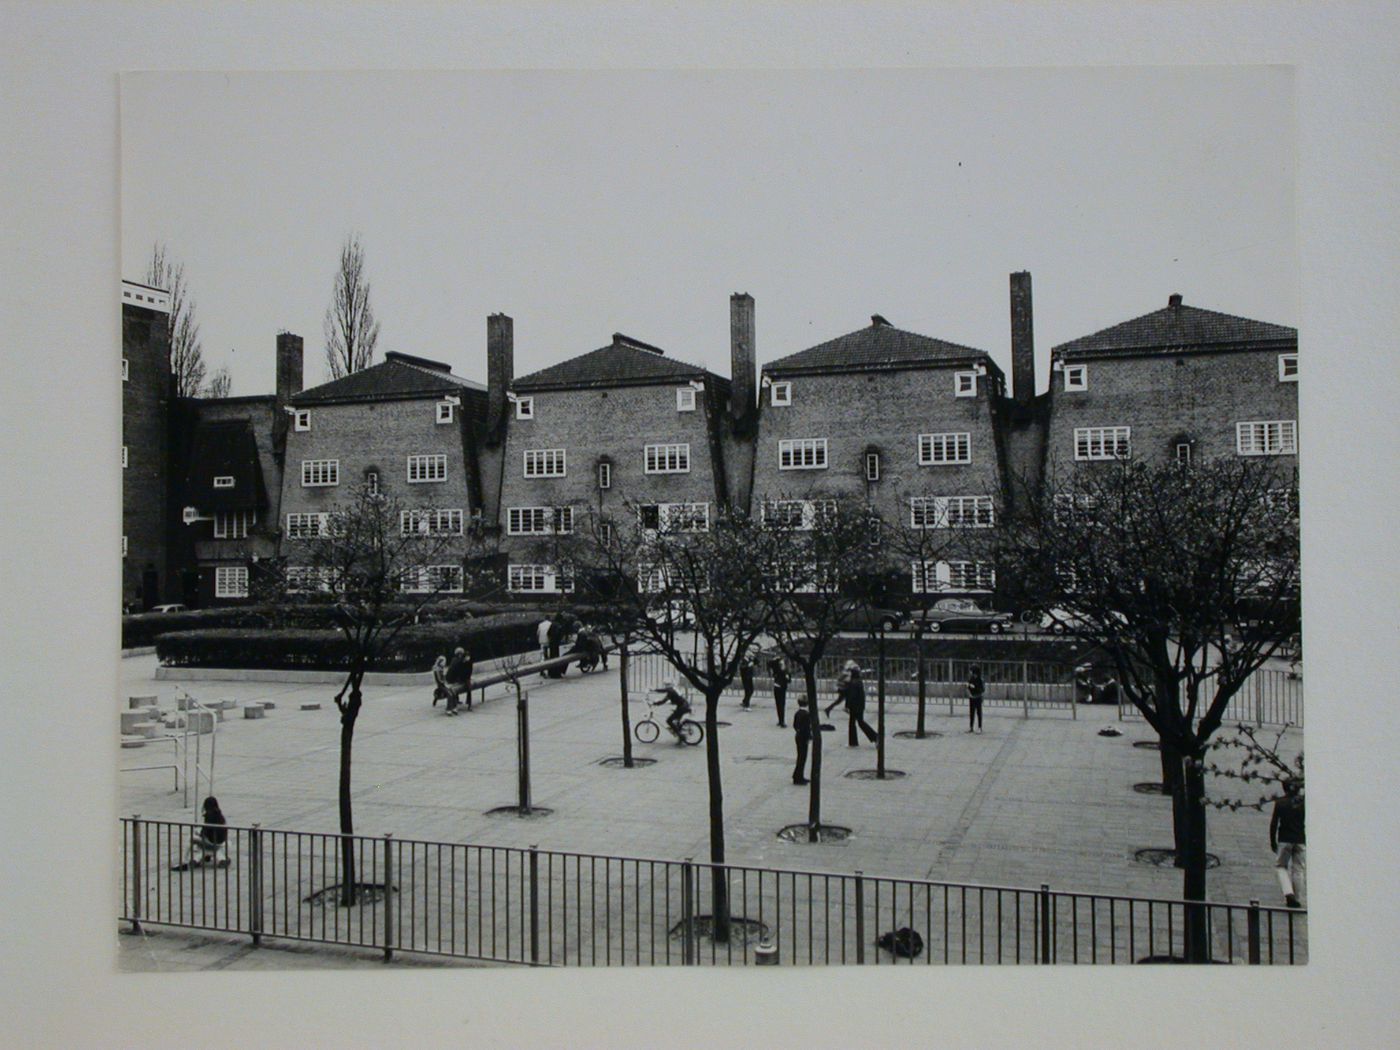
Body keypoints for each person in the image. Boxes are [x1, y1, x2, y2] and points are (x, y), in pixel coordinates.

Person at [1270, 779, 1306, 908]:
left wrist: (1272, 841)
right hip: (1300, 839)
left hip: (1284, 839)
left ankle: (1288, 893)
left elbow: (1274, 823)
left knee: (1281, 866)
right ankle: (1297, 898)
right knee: (1299, 869)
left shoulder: (1280, 803)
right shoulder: (1303, 803)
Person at [825, 660, 877, 747]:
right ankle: (854, 742)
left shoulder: (853, 683)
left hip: (855, 707)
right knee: (855, 723)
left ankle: (874, 736)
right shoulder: (858, 682)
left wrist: (847, 706)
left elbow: (850, 696)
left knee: (858, 723)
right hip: (859, 705)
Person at [190, 796, 228, 867]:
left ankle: (184, 860)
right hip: (221, 839)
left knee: (191, 838)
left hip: (210, 840)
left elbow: (206, 831)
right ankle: (220, 858)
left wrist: (200, 834)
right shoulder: (220, 815)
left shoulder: (209, 816)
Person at [444, 646, 474, 714]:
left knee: (466, 685)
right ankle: (468, 704)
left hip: (451, 679)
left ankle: (458, 702)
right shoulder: (459, 661)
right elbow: (461, 672)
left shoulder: (454, 659)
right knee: (468, 686)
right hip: (454, 680)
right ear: (460, 654)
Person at [791, 696, 812, 784]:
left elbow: (794, 725)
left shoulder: (797, 713)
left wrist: (798, 730)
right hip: (803, 737)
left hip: (798, 736)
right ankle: (798, 777)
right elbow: (807, 728)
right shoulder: (807, 714)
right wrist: (809, 737)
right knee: (802, 757)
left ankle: (797, 775)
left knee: (800, 756)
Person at [770, 656, 791, 727]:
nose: (782, 665)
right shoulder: (777, 670)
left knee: (782, 704)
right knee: (778, 704)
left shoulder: (786, 671)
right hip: (777, 687)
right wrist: (776, 659)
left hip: (782, 688)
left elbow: (789, 681)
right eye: (780, 664)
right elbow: (771, 664)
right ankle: (780, 720)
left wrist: (787, 678)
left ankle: (782, 720)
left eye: (783, 664)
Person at [967, 666, 985, 733]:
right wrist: (969, 686)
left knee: (978, 712)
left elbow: (982, 689)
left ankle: (980, 727)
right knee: (971, 712)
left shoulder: (980, 679)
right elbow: (969, 685)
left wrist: (974, 687)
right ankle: (971, 727)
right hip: (972, 697)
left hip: (978, 697)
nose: (970, 673)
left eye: (971, 671)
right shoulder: (971, 679)